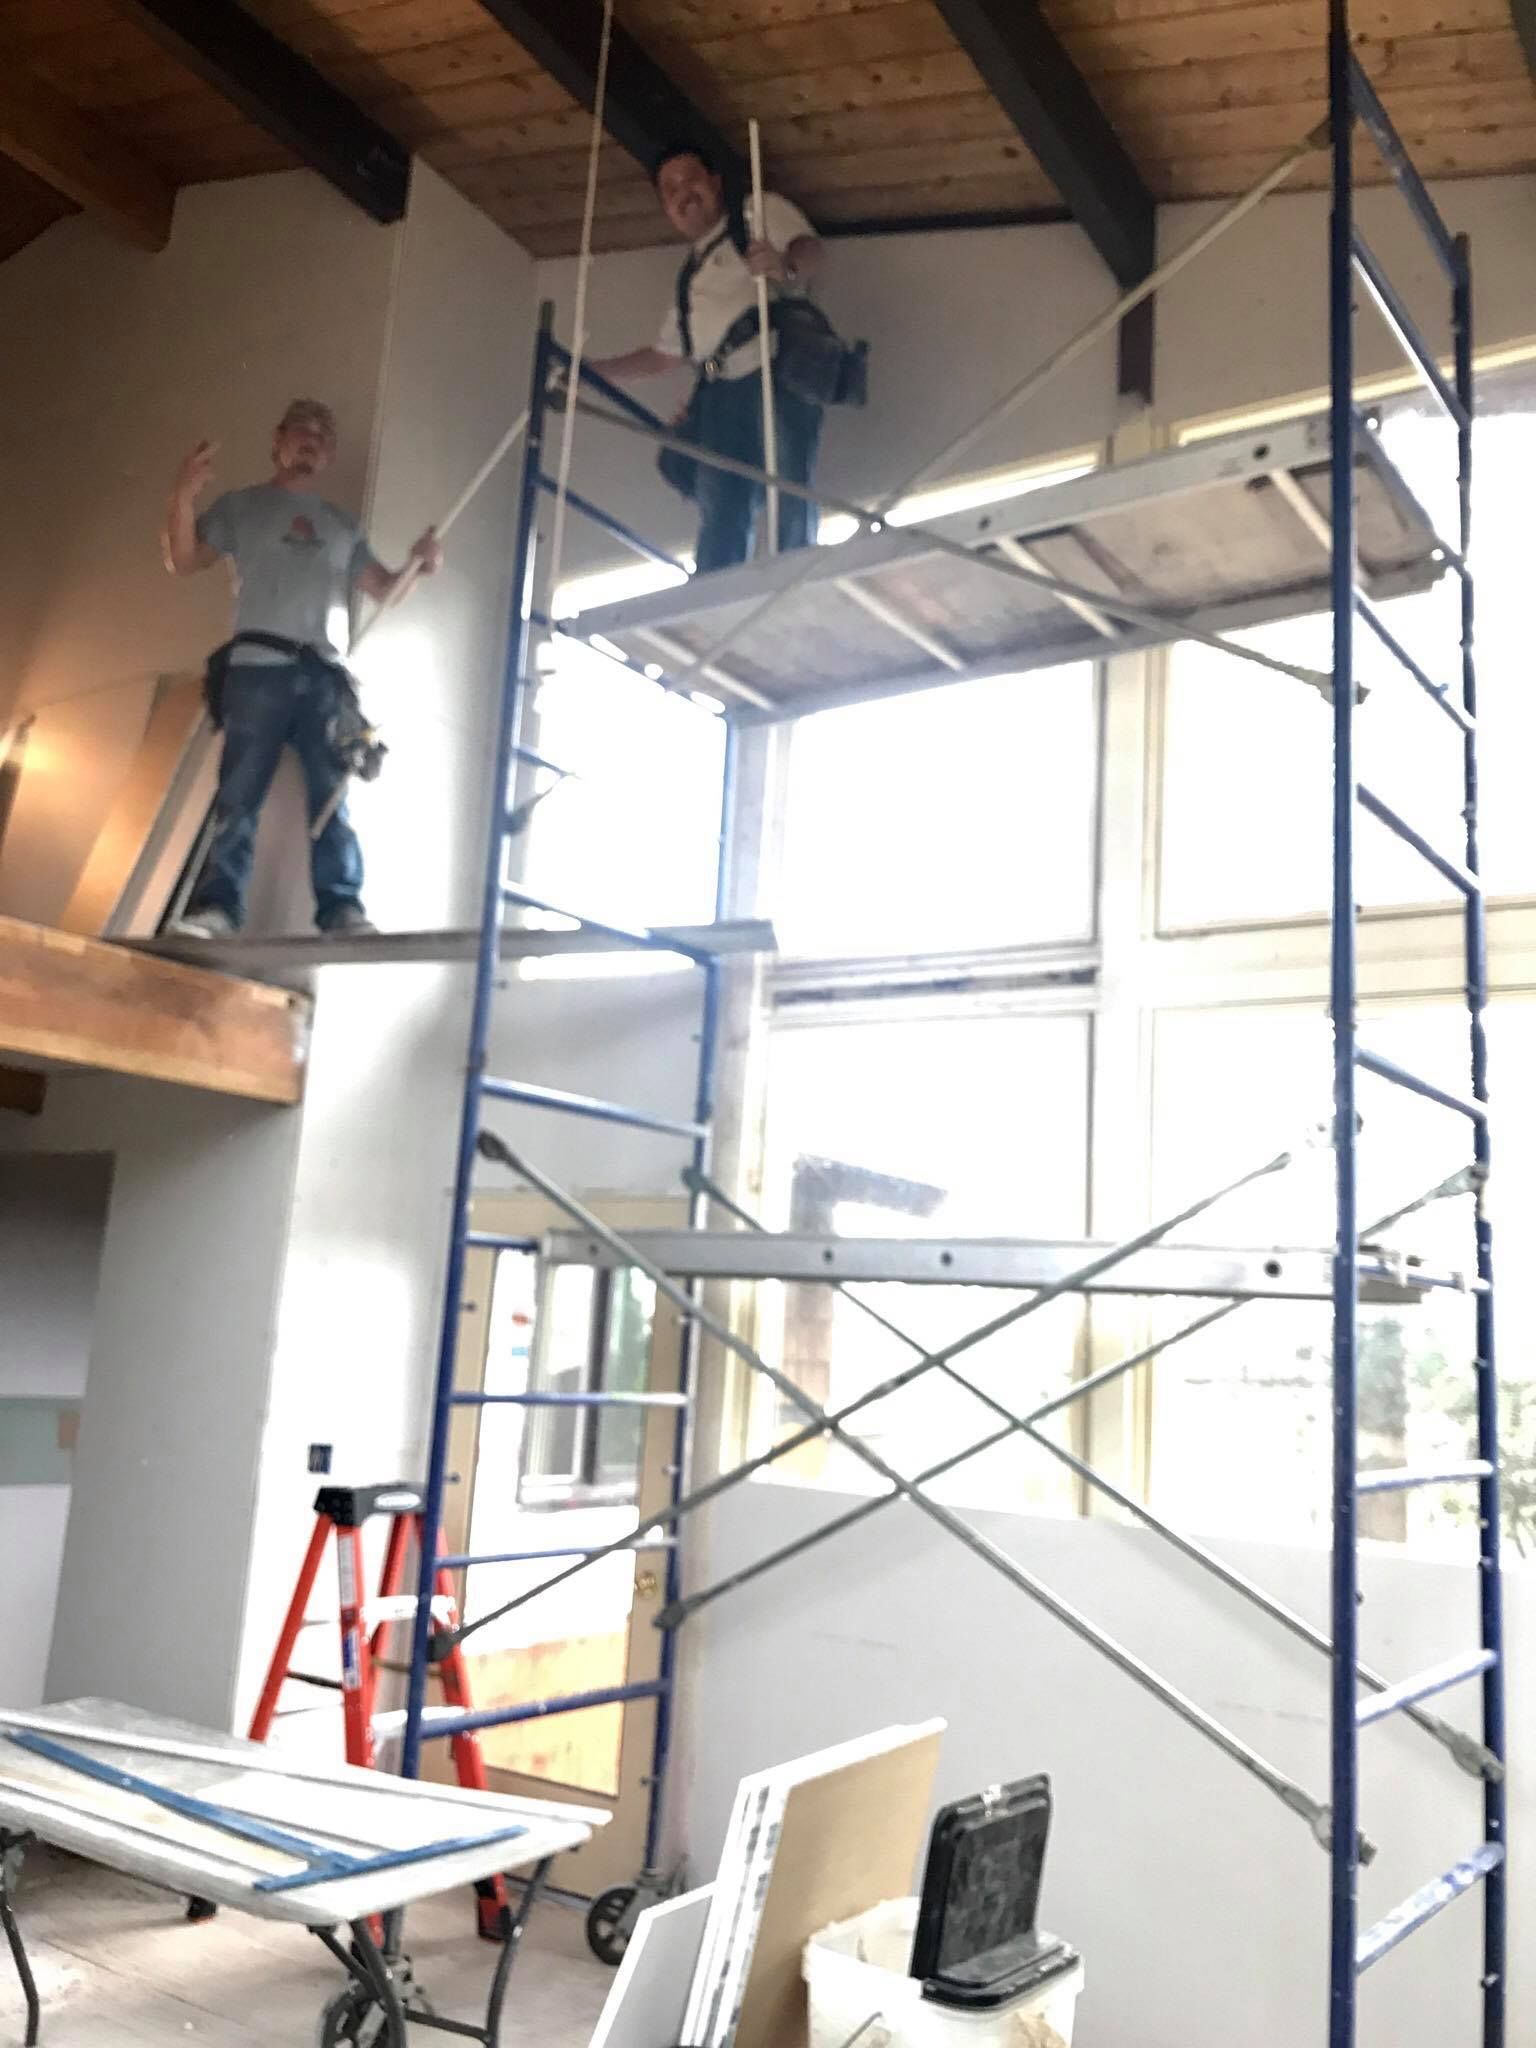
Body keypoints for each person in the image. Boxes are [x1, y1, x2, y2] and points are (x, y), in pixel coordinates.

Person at [161, 398, 441, 938]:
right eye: (301, 431)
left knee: (332, 795)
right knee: (239, 794)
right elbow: (184, 559)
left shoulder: (341, 525)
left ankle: (342, 911)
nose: (311, 440)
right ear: (278, 440)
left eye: (322, 435)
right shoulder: (242, 507)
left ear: (330, 453)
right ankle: (216, 910)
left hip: (324, 674)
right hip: (257, 666)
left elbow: (385, 589)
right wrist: (183, 495)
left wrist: (419, 565)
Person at [588, 141, 826, 573]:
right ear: (667, 208)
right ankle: (715, 596)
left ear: (715, 184)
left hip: (772, 373)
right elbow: (662, 357)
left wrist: (783, 266)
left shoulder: (754, 215)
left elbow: (810, 252)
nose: (683, 192)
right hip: (721, 397)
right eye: (671, 189)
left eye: (691, 179)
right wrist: (586, 374)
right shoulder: (689, 279)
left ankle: (798, 579)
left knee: (790, 488)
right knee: (721, 506)